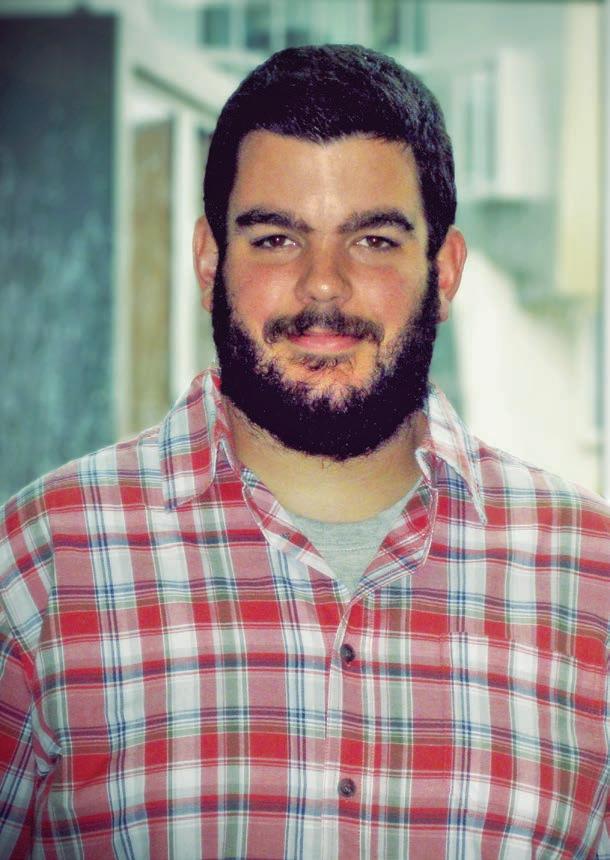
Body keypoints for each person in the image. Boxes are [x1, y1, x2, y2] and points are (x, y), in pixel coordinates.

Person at [0, 43, 608, 859]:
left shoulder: (591, 578)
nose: (324, 284)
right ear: (209, 261)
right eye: (277, 239)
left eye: (375, 240)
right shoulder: (41, 564)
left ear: (445, 272)